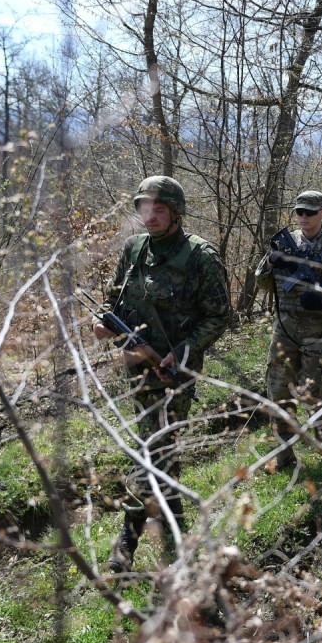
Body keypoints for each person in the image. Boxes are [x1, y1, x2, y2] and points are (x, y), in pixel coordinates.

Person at [97, 175, 232, 574]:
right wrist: (103, 322)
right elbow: (113, 298)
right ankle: (172, 510)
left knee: (150, 453)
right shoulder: (134, 249)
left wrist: (183, 351)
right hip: (135, 368)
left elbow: (219, 315)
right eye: (145, 208)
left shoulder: (200, 257)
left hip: (173, 373)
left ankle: (126, 542)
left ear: (176, 213)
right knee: (158, 447)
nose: (150, 216)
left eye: (159, 209)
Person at [255, 191, 322, 466]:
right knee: (278, 393)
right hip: (285, 331)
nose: (304, 217)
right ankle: (284, 453)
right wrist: (271, 262)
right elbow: (262, 282)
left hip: (319, 333)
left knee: (315, 397)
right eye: (300, 212)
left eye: (310, 212)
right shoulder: (285, 244)